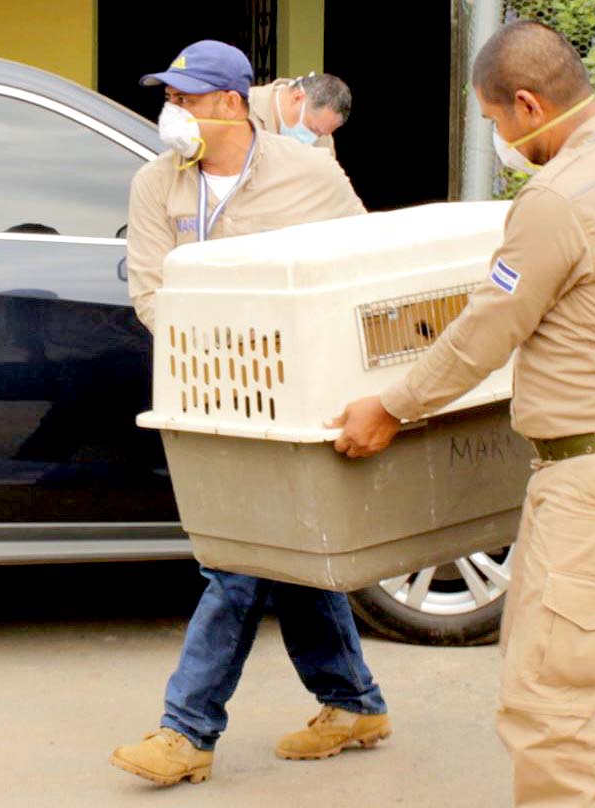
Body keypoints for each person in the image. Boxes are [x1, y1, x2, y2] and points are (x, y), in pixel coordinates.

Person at [327, 20, 595, 808]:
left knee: (546, 708)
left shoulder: (558, 199)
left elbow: (487, 331)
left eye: (497, 121)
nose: (501, 138)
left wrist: (391, 408)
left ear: (530, 104)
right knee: (576, 670)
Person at [111, 40, 390, 788]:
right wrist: (216, 343)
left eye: (187, 100)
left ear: (231, 104)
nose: (172, 113)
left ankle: (186, 731)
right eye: (168, 98)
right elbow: (148, 292)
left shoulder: (310, 175)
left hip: (295, 394)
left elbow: (362, 267)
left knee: (236, 560)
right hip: (207, 396)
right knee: (279, 553)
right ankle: (354, 701)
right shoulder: (154, 184)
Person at [248, 72, 351, 155]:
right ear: (297, 97)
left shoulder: (323, 138)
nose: (313, 138)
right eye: (312, 129)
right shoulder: (243, 108)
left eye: (321, 134)